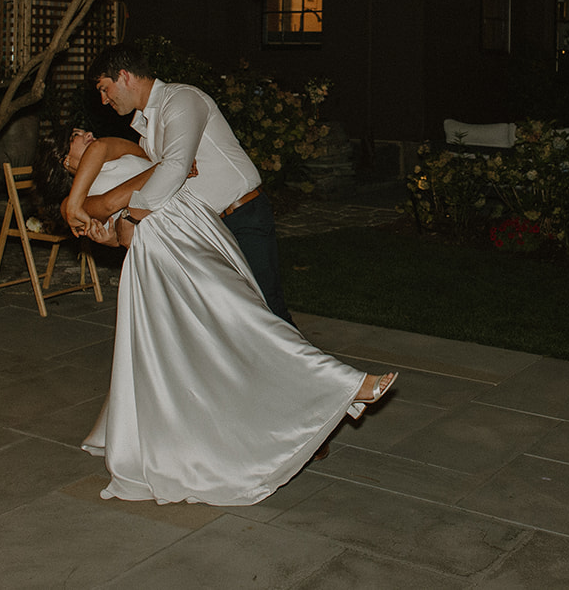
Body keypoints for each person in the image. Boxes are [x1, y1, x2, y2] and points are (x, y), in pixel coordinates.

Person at [56, 127, 397, 505]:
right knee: (238, 319)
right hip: (165, 247)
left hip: (196, 227)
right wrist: (151, 182)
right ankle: (344, 382)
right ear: (63, 159)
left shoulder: (108, 151)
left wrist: (154, 179)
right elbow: (110, 220)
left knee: (231, 326)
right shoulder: (77, 199)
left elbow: (131, 173)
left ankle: (277, 413)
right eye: (74, 135)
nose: (86, 132)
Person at [69, 42, 292, 324]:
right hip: (206, 230)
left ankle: (317, 369)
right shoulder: (144, 131)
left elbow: (175, 167)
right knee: (229, 322)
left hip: (242, 217)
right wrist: (114, 233)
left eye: (104, 88)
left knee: (269, 315)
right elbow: (160, 185)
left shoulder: (181, 99)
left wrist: (131, 217)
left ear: (124, 76)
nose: (103, 99)